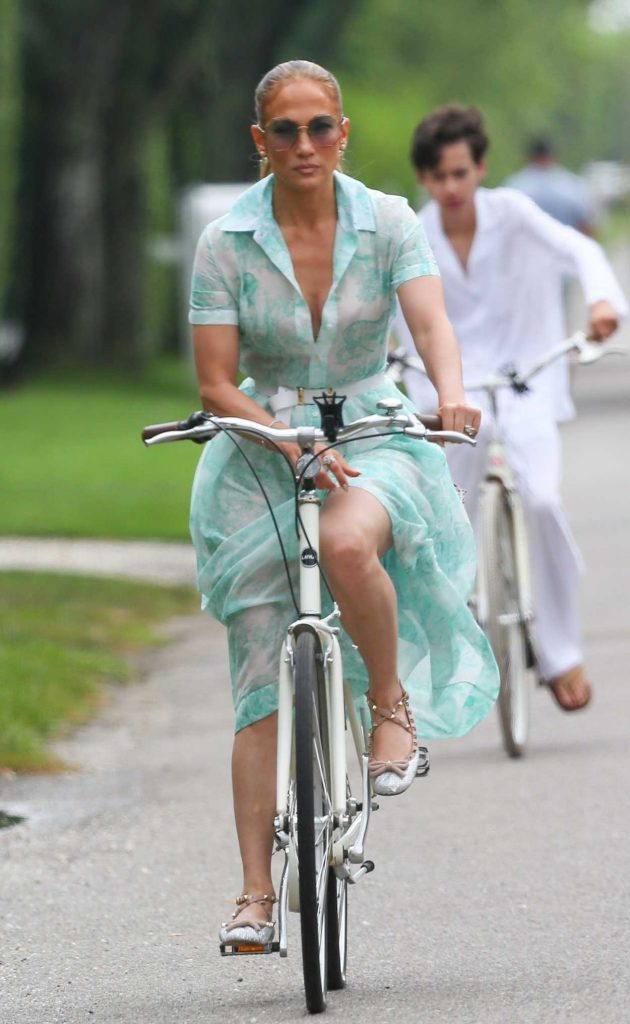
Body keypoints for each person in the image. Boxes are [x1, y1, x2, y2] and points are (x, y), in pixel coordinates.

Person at [188, 64, 499, 947]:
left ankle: (391, 707)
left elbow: (432, 325)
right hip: (264, 442)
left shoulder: (390, 220)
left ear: (344, 132)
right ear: (260, 141)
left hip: (372, 428)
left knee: (351, 541)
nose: (303, 146)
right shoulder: (226, 240)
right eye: (284, 131)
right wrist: (286, 438)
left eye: (319, 127)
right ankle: (254, 895)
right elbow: (215, 381)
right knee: (258, 684)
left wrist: (451, 390)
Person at [394, 104, 627, 716]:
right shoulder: (412, 234)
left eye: (460, 174)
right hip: (449, 394)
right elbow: (399, 320)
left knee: (544, 499)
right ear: (423, 178)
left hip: (525, 379)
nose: (451, 188)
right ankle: (450, 655)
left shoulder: (515, 214)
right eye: (438, 177)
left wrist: (603, 303)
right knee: (447, 528)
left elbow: (579, 249)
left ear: (481, 169)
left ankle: (561, 651)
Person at [505, 136, 596, 234]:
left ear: (528, 157)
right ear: (554, 156)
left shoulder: (514, 186)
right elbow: (587, 225)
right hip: (565, 245)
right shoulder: (573, 185)